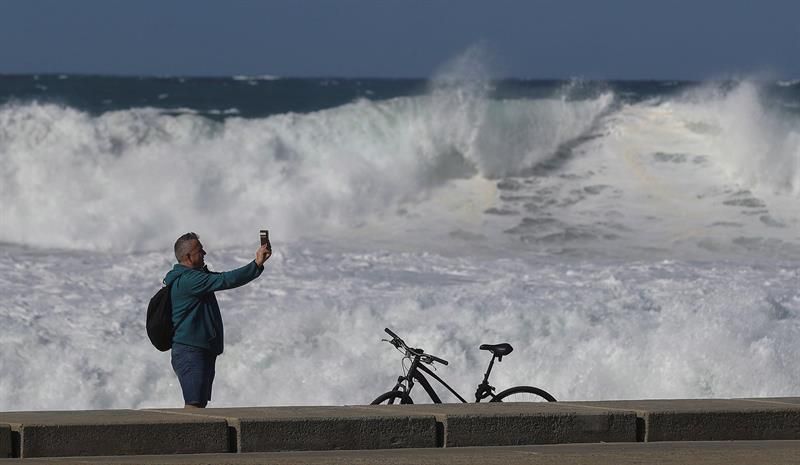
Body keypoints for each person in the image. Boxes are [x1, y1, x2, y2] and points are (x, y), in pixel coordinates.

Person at [163, 232, 271, 408]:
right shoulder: (190, 280)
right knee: (194, 406)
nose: (204, 253)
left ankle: (197, 436)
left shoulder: (194, 277)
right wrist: (256, 264)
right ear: (188, 257)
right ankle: (190, 436)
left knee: (199, 405)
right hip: (190, 352)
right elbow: (225, 280)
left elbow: (220, 278)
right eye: (200, 250)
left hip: (197, 350)